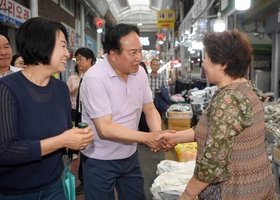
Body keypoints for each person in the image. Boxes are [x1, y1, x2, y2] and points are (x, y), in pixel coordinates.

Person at [157, 29, 279, 200]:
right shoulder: (244, 89)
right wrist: (174, 137)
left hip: (236, 190)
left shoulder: (229, 99)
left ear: (222, 64)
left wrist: (187, 194)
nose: (204, 64)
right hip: (256, 185)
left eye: (206, 58)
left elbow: (213, 161)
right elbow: (216, 131)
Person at [0, 17, 94, 199]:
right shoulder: (7, 89)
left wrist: (78, 137)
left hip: (54, 185)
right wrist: (63, 140)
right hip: (16, 192)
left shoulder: (60, 89)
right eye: (63, 46)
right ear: (42, 45)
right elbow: (6, 151)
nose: (68, 54)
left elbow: (65, 131)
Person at [80, 23, 171, 199]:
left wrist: (157, 134)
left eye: (140, 51)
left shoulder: (140, 73)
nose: (139, 57)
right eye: (132, 53)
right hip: (100, 159)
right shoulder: (95, 78)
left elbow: (149, 108)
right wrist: (146, 138)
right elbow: (104, 128)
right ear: (113, 54)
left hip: (129, 156)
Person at [73, 47, 96, 195]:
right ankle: (84, 181)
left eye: (80, 59)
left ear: (89, 60)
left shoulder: (94, 78)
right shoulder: (84, 77)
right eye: (76, 59)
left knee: (90, 153)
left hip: (93, 122)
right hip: (82, 119)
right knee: (84, 152)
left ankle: (87, 182)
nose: (78, 62)